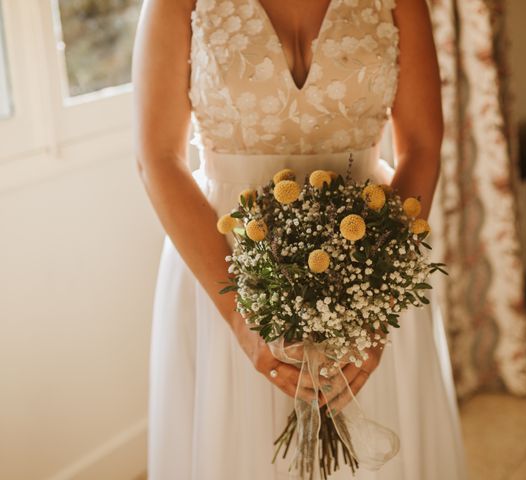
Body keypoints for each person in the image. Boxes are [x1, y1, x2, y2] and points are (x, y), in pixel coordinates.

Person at [133, 0, 469, 478]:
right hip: (223, 265)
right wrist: (241, 321)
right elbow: (157, 157)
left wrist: (378, 301)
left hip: (371, 257)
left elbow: (421, 143)